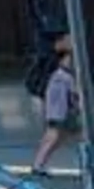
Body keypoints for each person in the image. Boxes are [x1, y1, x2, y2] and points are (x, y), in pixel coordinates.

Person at [29, 37, 81, 176]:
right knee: (54, 134)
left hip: (59, 105)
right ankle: (38, 164)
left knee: (64, 135)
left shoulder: (58, 73)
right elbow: (72, 94)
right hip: (60, 105)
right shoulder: (61, 74)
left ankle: (39, 164)